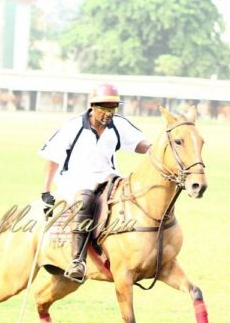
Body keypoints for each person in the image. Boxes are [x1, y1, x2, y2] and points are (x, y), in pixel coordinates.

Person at [39, 83, 151, 282]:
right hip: (75, 182)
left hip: (108, 178)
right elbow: (52, 159)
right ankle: (77, 260)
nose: (109, 113)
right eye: (105, 108)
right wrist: (46, 192)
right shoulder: (73, 126)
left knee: (130, 194)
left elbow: (138, 144)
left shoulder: (118, 124)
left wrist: (154, 149)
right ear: (93, 106)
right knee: (86, 198)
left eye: (113, 108)